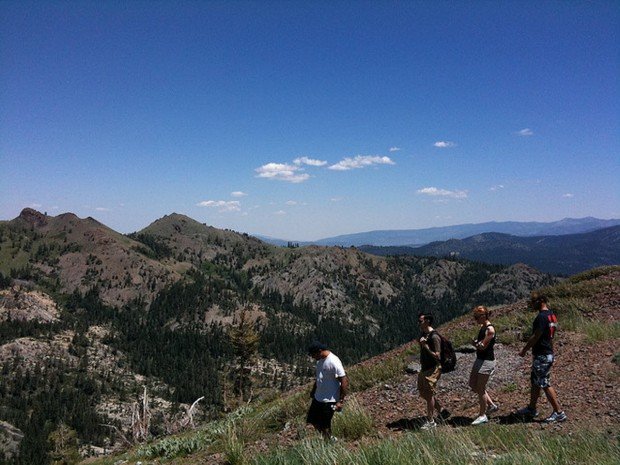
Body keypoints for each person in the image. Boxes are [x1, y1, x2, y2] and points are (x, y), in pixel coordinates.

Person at [517, 292, 567, 423]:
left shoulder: (541, 317)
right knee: (535, 380)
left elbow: (535, 336)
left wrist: (524, 350)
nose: (532, 304)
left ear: (541, 301)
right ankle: (531, 408)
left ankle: (559, 412)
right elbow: (552, 335)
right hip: (547, 352)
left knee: (544, 382)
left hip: (542, 354)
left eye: (533, 302)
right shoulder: (552, 315)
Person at [306, 341, 349, 440]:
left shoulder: (333, 361)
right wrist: (313, 391)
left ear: (320, 351)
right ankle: (327, 438)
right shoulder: (320, 361)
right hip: (318, 397)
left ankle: (329, 442)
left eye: (313, 354)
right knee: (312, 421)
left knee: (325, 424)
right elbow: (319, 378)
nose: (312, 357)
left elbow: (344, 380)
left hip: (330, 400)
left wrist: (340, 401)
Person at [417, 313, 450, 429]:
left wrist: (425, 346)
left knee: (429, 393)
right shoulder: (424, 334)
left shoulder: (434, 337)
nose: (419, 323)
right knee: (424, 392)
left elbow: (437, 355)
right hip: (425, 367)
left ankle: (431, 421)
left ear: (427, 321)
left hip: (433, 367)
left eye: (420, 321)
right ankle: (442, 411)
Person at [468, 305, 499, 425]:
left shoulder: (490, 330)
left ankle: (482, 415)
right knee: (473, 384)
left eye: (477, 317)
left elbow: (483, 346)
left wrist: (475, 344)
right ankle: (491, 405)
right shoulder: (483, 327)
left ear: (483, 316)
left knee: (480, 388)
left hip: (486, 361)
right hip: (480, 359)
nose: (476, 320)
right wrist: (477, 343)